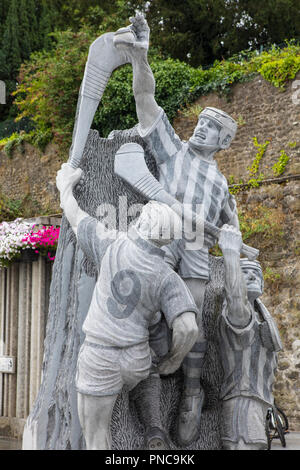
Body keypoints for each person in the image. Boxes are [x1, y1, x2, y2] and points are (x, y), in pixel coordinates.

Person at [113, 13, 240, 446]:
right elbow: (146, 100)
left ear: (225, 143)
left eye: (213, 128)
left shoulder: (222, 184)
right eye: (202, 122)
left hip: (198, 252)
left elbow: (233, 232)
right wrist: (140, 59)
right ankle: (143, 387)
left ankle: (190, 392)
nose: (202, 128)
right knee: (146, 303)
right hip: (163, 239)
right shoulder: (174, 151)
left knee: (195, 322)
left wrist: (237, 245)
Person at [56, 162, 200, 450]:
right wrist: (172, 361)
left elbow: (73, 214)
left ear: (143, 224)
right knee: (149, 366)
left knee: (95, 434)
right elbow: (187, 328)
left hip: (101, 355)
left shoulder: (111, 244)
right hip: (136, 360)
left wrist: (65, 185)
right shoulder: (167, 277)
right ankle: (153, 426)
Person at [217, 224, 282, 450]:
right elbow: (236, 299)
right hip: (241, 403)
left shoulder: (262, 317)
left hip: (258, 406)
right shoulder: (237, 314)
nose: (252, 276)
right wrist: (231, 254)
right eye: (245, 272)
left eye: (256, 274)